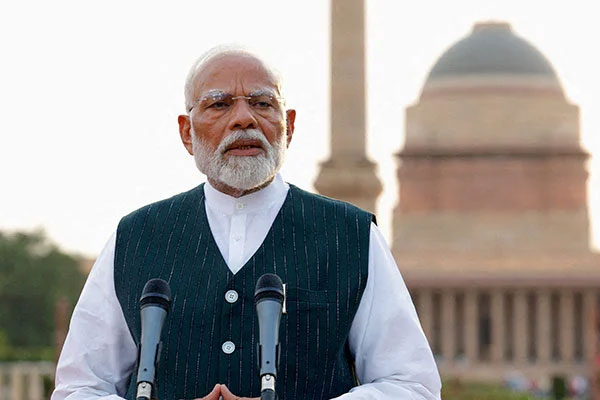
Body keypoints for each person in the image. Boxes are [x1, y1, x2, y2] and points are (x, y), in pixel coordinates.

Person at [52, 46, 441, 400]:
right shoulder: (136, 238)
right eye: (219, 105)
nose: (244, 119)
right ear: (187, 133)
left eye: (262, 103)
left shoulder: (350, 236)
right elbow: (79, 387)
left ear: (288, 125)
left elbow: (411, 384)